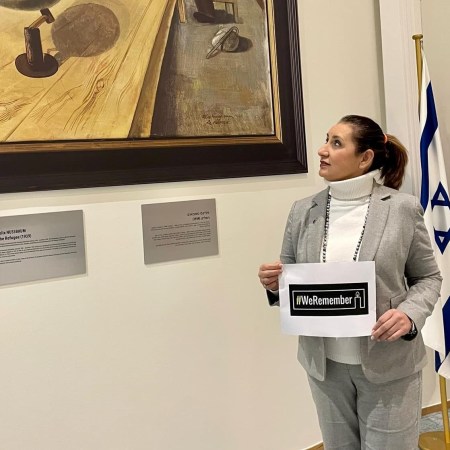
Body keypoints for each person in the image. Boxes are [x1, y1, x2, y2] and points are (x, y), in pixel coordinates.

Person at [258, 115, 442, 450]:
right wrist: (274, 284)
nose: (322, 150)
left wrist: (409, 314)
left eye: (336, 143)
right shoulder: (303, 210)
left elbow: (428, 277)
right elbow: (290, 279)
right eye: (326, 139)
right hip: (325, 369)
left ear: (365, 157)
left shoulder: (402, 209)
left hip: (389, 366)